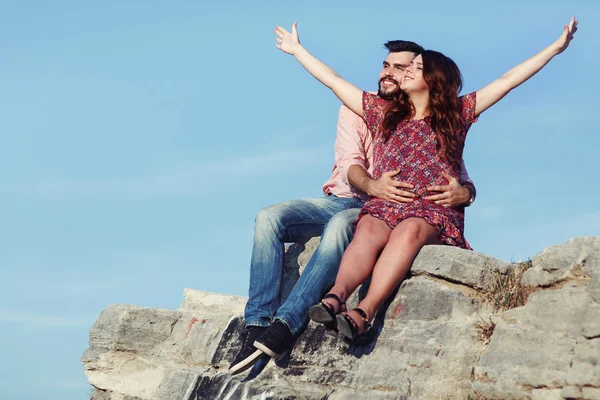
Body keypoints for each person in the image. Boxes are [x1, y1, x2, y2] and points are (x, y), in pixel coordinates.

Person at [273, 17, 578, 340]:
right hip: (389, 203)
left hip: (431, 210)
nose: (402, 72)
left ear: (433, 78)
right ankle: (335, 298)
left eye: (413, 67)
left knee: (409, 231)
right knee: (368, 228)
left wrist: (555, 48)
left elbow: (508, 79)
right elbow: (334, 81)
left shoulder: (458, 114)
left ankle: (364, 312)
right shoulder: (383, 113)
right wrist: (297, 51)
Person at [229, 41, 478, 374]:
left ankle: (291, 322)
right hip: (352, 198)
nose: (392, 73)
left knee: (345, 228)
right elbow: (350, 162)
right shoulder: (366, 109)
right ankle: (257, 323)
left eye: (403, 68)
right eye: (388, 66)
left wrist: (466, 193)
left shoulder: (440, 119)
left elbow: (455, 170)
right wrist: (297, 50)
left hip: (383, 210)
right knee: (268, 218)